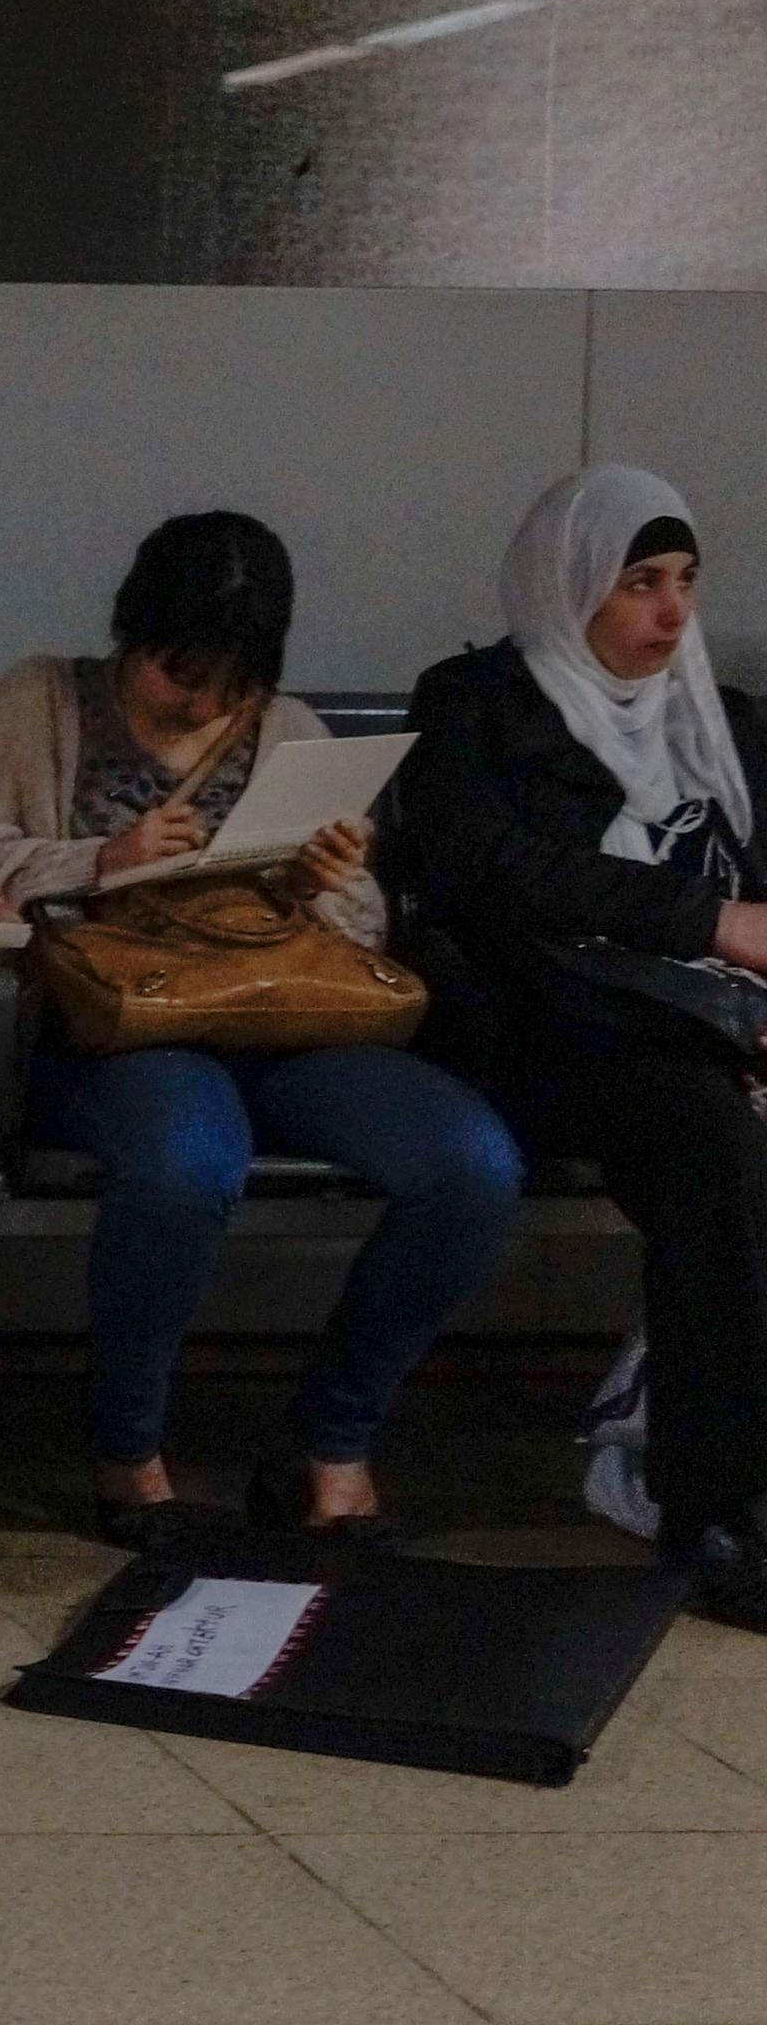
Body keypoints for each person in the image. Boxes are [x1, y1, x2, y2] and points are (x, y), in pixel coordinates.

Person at [0, 513, 523, 1547]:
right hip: (118, 1024)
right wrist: (102, 860)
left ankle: (330, 1438)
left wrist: (322, 884)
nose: (206, 700)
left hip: (285, 1016)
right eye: (181, 671)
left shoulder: (287, 727)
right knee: (186, 1159)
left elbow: (358, 934)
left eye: (232, 679)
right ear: (136, 630)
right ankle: (128, 1453)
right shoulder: (41, 698)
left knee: (470, 1164)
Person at [386, 465, 767, 1630]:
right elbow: (495, 875)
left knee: (723, 1117)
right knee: (712, 1138)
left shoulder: (725, 724)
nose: (671, 613)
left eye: (686, 582)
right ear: (571, 583)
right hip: (551, 1030)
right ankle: (720, 1508)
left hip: (716, 1027)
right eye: (639, 582)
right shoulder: (477, 705)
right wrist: (707, 923)